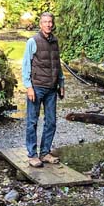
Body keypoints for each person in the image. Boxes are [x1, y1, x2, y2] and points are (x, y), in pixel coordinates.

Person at [22, 12, 65, 167]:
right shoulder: (32, 41)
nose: (48, 24)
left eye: (50, 22)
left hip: (52, 89)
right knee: (32, 121)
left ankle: (45, 153)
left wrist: (61, 83)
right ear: (40, 24)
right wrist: (28, 87)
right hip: (36, 87)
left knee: (51, 122)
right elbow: (26, 65)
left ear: (52, 24)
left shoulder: (55, 41)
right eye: (45, 22)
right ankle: (32, 155)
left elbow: (57, 64)